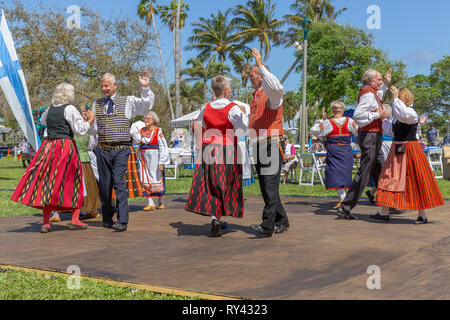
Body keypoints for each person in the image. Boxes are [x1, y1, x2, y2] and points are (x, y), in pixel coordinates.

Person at [11, 83, 95, 233]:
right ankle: (75, 220)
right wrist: (90, 121)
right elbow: (80, 131)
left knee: (48, 182)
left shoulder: (50, 109)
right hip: (65, 147)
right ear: (69, 94)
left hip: (49, 147)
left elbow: (43, 122)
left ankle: (46, 223)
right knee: (74, 180)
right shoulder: (70, 109)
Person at [89, 71, 154, 232]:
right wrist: (88, 123)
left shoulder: (128, 101)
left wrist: (145, 88)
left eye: (107, 86)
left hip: (121, 148)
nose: (104, 89)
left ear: (115, 85)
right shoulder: (96, 104)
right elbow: (94, 129)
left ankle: (122, 219)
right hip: (103, 149)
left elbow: (146, 106)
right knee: (104, 186)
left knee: (119, 183)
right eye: (102, 86)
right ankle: (107, 216)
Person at [185, 76, 248, 237]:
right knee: (225, 184)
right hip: (227, 148)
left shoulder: (206, 108)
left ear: (214, 91)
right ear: (227, 91)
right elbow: (243, 131)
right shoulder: (233, 108)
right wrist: (244, 115)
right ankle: (216, 218)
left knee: (211, 184)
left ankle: (215, 219)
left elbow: (197, 127)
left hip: (208, 147)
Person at [372, 86, 444, 223]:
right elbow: (392, 131)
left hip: (410, 149)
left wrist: (394, 99)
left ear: (401, 98)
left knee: (415, 179)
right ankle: (384, 211)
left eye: (398, 98)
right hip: (397, 148)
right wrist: (382, 118)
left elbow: (403, 114)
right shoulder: (398, 117)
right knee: (388, 178)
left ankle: (422, 215)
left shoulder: (410, 113)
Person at [336, 68, 391, 219]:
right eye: (378, 80)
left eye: (381, 80)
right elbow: (358, 116)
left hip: (374, 135)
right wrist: (377, 114)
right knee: (365, 171)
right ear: (370, 81)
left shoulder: (371, 93)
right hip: (369, 136)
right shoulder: (367, 94)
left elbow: (379, 95)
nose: (380, 82)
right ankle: (346, 206)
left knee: (381, 169)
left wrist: (385, 83)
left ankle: (388, 205)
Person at [248, 48, 289, 237]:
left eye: (252, 74)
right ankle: (282, 220)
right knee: (266, 186)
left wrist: (261, 66)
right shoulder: (256, 96)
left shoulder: (272, 95)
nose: (250, 78)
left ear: (261, 76)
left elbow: (278, 87)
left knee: (270, 186)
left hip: (271, 143)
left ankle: (267, 226)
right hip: (259, 145)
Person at [311, 101, 358, 209]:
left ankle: (343, 199)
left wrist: (322, 120)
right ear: (343, 109)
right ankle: (344, 199)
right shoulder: (349, 121)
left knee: (335, 174)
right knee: (342, 174)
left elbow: (314, 131)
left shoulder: (328, 122)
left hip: (335, 151)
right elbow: (358, 131)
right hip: (345, 150)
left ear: (333, 110)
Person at [131, 112, 170, 211]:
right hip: (144, 158)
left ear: (154, 120)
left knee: (157, 178)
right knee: (144, 177)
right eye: (145, 118)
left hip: (155, 158)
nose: (146, 120)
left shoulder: (158, 131)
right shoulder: (142, 130)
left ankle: (160, 201)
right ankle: (150, 202)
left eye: (148, 118)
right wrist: (134, 133)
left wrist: (161, 162)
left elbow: (163, 146)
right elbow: (136, 141)